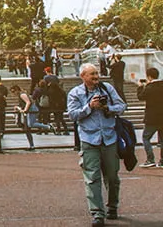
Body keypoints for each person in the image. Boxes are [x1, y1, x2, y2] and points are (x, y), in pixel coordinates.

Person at [67, 63, 126, 226]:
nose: (95, 77)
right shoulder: (75, 93)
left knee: (112, 176)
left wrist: (108, 108)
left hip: (108, 137)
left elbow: (122, 106)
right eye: (91, 74)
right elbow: (72, 115)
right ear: (83, 76)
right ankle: (97, 213)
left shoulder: (107, 89)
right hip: (88, 139)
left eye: (96, 74)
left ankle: (112, 206)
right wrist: (89, 107)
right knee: (92, 177)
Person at [10, 85, 55, 151]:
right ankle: (32, 145)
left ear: (16, 90)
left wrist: (25, 110)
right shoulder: (21, 95)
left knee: (30, 124)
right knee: (27, 128)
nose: (13, 93)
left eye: (13, 91)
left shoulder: (22, 94)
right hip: (29, 111)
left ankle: (48, 126)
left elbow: (28, 102)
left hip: (31, 110)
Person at [137, 67, 163, 168]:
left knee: (146, 138)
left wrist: (140, 87)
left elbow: (140, 97)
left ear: (149, 76)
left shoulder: (149, 87)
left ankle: (150, 159)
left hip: (152, 118)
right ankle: (162, 161)